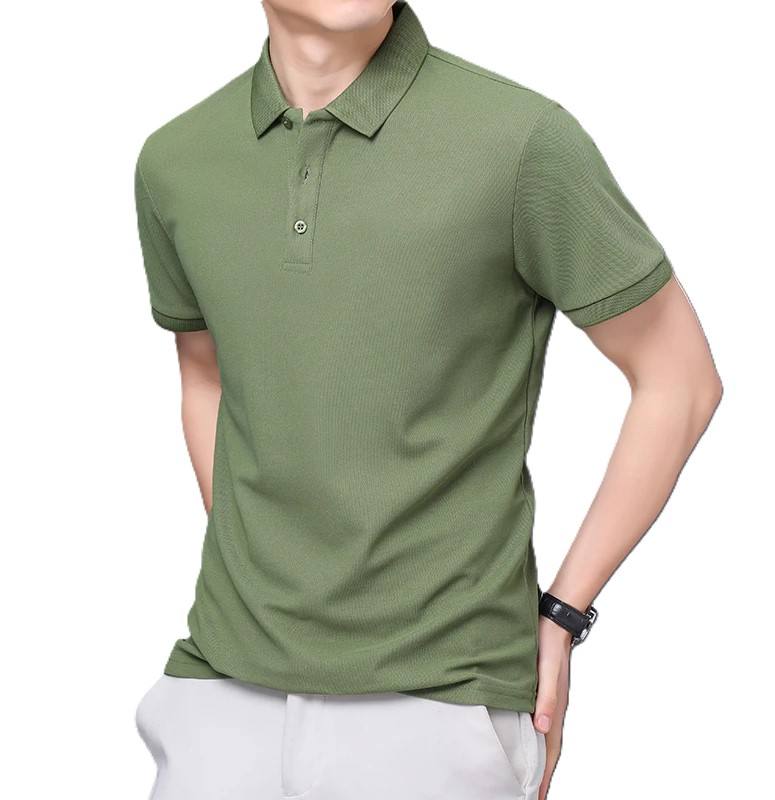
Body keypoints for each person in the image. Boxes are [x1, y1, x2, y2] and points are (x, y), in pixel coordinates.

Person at [132, 2, 722, 798]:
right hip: (221, 692)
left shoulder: (520, 140)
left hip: (441, 700)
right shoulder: (176, 161)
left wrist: (564, 613)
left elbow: (680, 378)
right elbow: (205, 375)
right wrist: (272, 575)